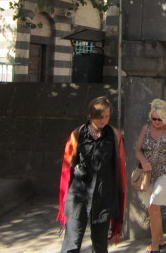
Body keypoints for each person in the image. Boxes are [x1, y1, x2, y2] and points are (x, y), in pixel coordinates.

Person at [57, 96, 126, 253]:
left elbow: (119, 167)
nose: (103, 120)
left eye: (107, 116)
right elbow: (68, 166)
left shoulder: (115, 136)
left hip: (104, 196)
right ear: (91, 115)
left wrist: (119, 195)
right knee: (72, 243)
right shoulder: (78, 134)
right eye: (99, 116)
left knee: (100, 244)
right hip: (79, 194)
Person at [136, 99, 166, 252]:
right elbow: (138, 150)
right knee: (153, 209)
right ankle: (161, 239)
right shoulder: (146, 129)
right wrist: (143, 161)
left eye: (160, 119)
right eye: (154, 118)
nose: (157, 122)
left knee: (154, 206)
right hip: (149, 174)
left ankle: (155, 245)